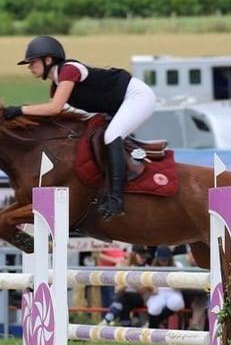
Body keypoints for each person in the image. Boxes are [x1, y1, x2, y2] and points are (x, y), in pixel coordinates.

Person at [8, 35, 157, 219]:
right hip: (116, 106)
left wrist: (20, 110)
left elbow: (54, 108)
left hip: (137, 97)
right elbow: (56, 116)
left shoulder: (69, 70)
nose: (30, 67)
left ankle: (116, 200)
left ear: (48, 60)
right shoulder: (57, 86)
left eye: (32, 62)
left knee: (111, 135)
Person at [99, 245, 151, 326]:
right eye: (141, 257)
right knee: (124, 302)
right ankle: (126, 326)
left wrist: (132, 281)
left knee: (123, 298)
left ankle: (108, 319)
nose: (144, 259)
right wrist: (129, 279)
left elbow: (143, 292)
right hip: (124, 298)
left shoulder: (146, 268)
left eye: (145, 257)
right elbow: (117, 290)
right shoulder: (122, 265)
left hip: (139, 299)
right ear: (133, 255)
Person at [145, 246, 185, 328]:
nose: (163, 262)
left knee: (176, 302)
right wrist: (151, 287)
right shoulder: (152, 268)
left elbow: (183, 283)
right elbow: (146, 283)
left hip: (173, 291)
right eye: (161, 259)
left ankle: (159, 321)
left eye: (165, 259)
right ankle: (152, 328)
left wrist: (177, 285)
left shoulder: (178, 266)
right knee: (154, 307)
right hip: (158, 292)